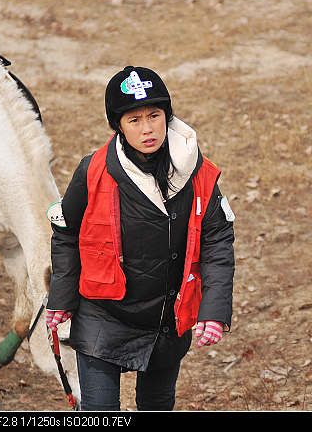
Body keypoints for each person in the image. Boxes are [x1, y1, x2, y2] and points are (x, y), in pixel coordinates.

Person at [45, 66, 236, 411]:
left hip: (165, 317)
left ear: (167, 115)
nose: (147, 128)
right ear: (118, 126)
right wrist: (61, 299)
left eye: (154, 115)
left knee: (158, 404)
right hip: (103, 315)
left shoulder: (196, 172)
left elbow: (218, 240)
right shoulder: (93, 170)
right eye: (134, 120)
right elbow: (66, 233)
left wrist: (214, 310)